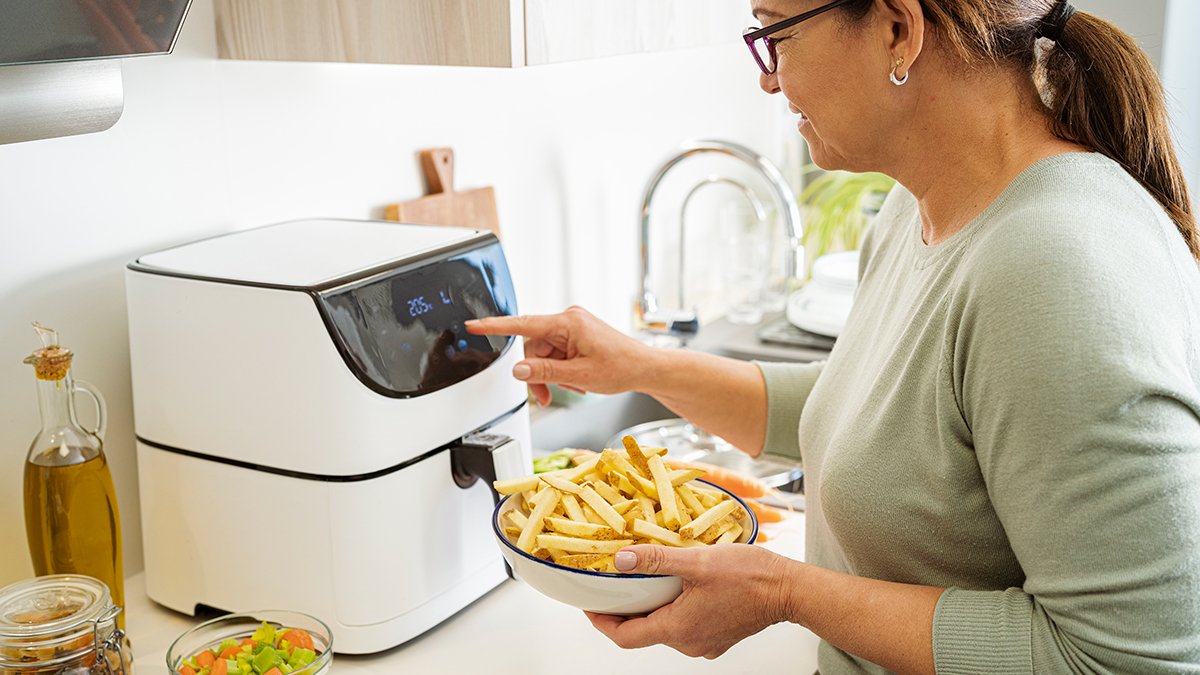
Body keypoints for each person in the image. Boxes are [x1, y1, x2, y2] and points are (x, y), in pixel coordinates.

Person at [467, 0, 1200, 672]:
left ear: (897, 30)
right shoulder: (921, 205)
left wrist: (787, 592)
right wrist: (641, 365)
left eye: (775, 33)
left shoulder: (1055, 266)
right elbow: (885, 418)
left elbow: (1128, 657)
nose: (766, 78)